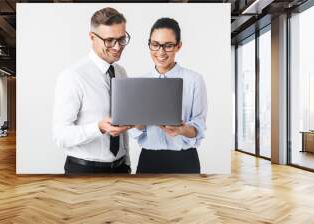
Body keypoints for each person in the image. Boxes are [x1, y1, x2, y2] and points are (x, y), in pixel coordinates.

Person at [52, 7, 132, 174]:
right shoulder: (73, 76)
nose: (117, 47)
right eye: (110, 40)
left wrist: (127, 163)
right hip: (84, 171)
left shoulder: (121, 72)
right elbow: (60, 136)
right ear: (92, 37)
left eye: (122, 39)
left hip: (120, 168)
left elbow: (121, 128)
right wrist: (98, 128)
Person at [129, 18, 208, 174]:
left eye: (168, 45)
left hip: (185, 160)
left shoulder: (194, 80)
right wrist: (139, 122)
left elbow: (199, 126)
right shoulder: (141, 83)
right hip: (148, 160)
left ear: (178, 46)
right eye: (155, 44)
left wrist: (182, 130)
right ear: (149, 44)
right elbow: (134, 131)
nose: (161, 52)